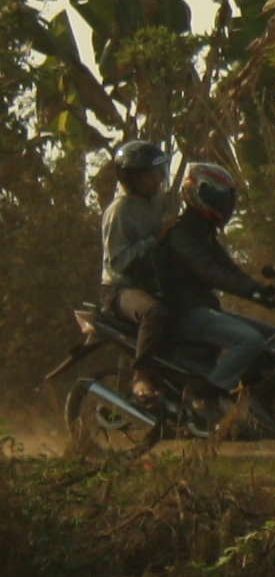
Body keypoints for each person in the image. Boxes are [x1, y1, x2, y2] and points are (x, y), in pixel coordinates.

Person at [161, 163, 275, 403]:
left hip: (206, 308)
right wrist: (253, 292)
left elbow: (229, 269)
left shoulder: (203, 231)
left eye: (225, 198)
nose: (224, 204)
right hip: (186, 313)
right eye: (214, 196)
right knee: (250, 340)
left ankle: (254, 399)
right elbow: (211, 273)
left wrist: (264, 291)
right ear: (196, 194)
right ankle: (207, 396)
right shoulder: (182, 234)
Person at [99, 140, 173, 401]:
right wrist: (155, 240)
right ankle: (140, 374)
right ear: (131, 179)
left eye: (158, 173)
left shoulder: (158, 201)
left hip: (150, 282)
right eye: (149, 175)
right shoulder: (120, 210)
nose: (157, 180)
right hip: (120, 288)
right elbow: (117, 262)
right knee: (153, 312)